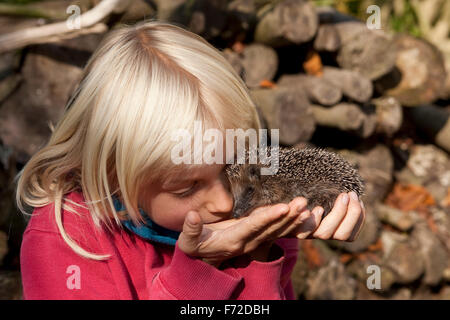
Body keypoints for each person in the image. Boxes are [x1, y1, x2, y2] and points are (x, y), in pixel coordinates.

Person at [16, 20, 365, 300]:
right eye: (187, 187)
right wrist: (199, 270)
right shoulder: (65, 239)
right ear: (114, 178)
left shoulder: (251, 223)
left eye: (230, 172)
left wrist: (256, 254)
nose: (225, 201)